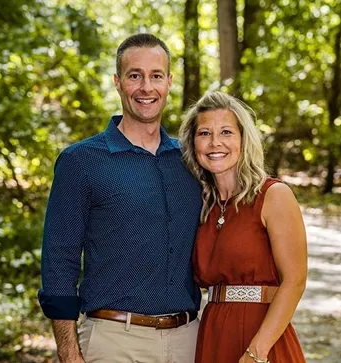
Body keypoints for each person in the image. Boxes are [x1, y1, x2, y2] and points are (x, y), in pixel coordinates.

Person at [38, 33, 203, 363]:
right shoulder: (81, 161)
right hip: (115, 341)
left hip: (190, 340)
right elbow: (59, 260)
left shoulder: (192, 161)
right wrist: (69, 352)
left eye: (156, 76)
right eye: (134, 75)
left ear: (169, 82)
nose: (146, 87)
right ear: (117, 82)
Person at [179, 91, 307, 363]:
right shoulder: (202, 206)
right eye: (204, 134)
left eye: (226, 132)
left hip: (261, 339)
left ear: (243, 140)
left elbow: (295, 281)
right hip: (213, 334)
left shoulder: (273, 195)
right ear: (193, 144)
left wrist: (257, 351)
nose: (215, 143)